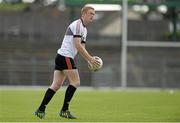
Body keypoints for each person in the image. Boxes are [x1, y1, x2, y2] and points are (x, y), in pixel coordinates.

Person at [34, 5, 100, 119]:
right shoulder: (78, 25)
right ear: (83, 14)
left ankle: (40, 110)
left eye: (93, 14)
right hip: (65, 57)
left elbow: (82, 47)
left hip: (61, 56)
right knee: (76, 82)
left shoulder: (84, 29)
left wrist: (89, 60)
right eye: (90, 13)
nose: (92, 16)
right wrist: (90, 59)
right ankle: (64, 110)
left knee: (56, 85)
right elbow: (77, 45)